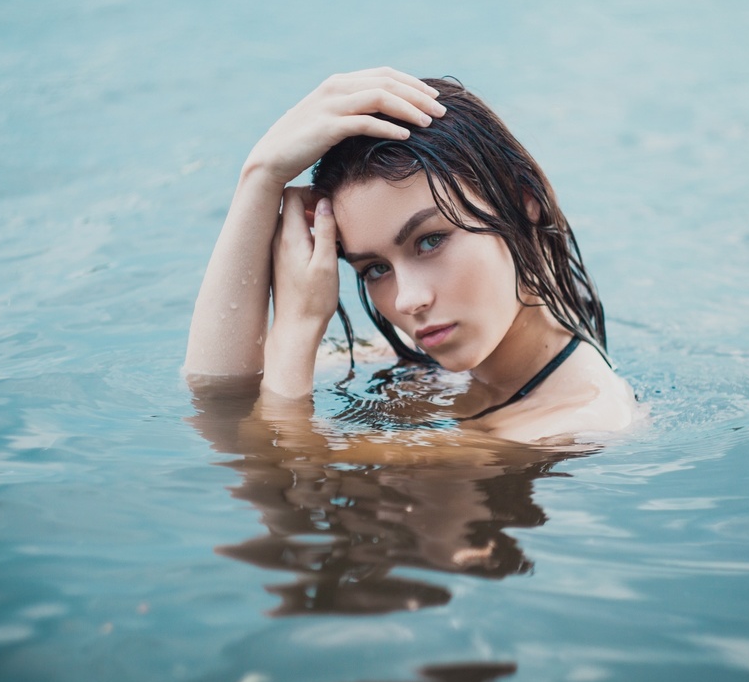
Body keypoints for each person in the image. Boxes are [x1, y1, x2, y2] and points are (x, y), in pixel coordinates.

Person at [184, 68, 634, 443]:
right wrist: (260, 176)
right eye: (375, 269)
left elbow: (272, 469)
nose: (407, 301)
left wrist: (298, 327)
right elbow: (217, 395)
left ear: (522, 203)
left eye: (430, 241)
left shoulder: (567, 429)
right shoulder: (433, 365)